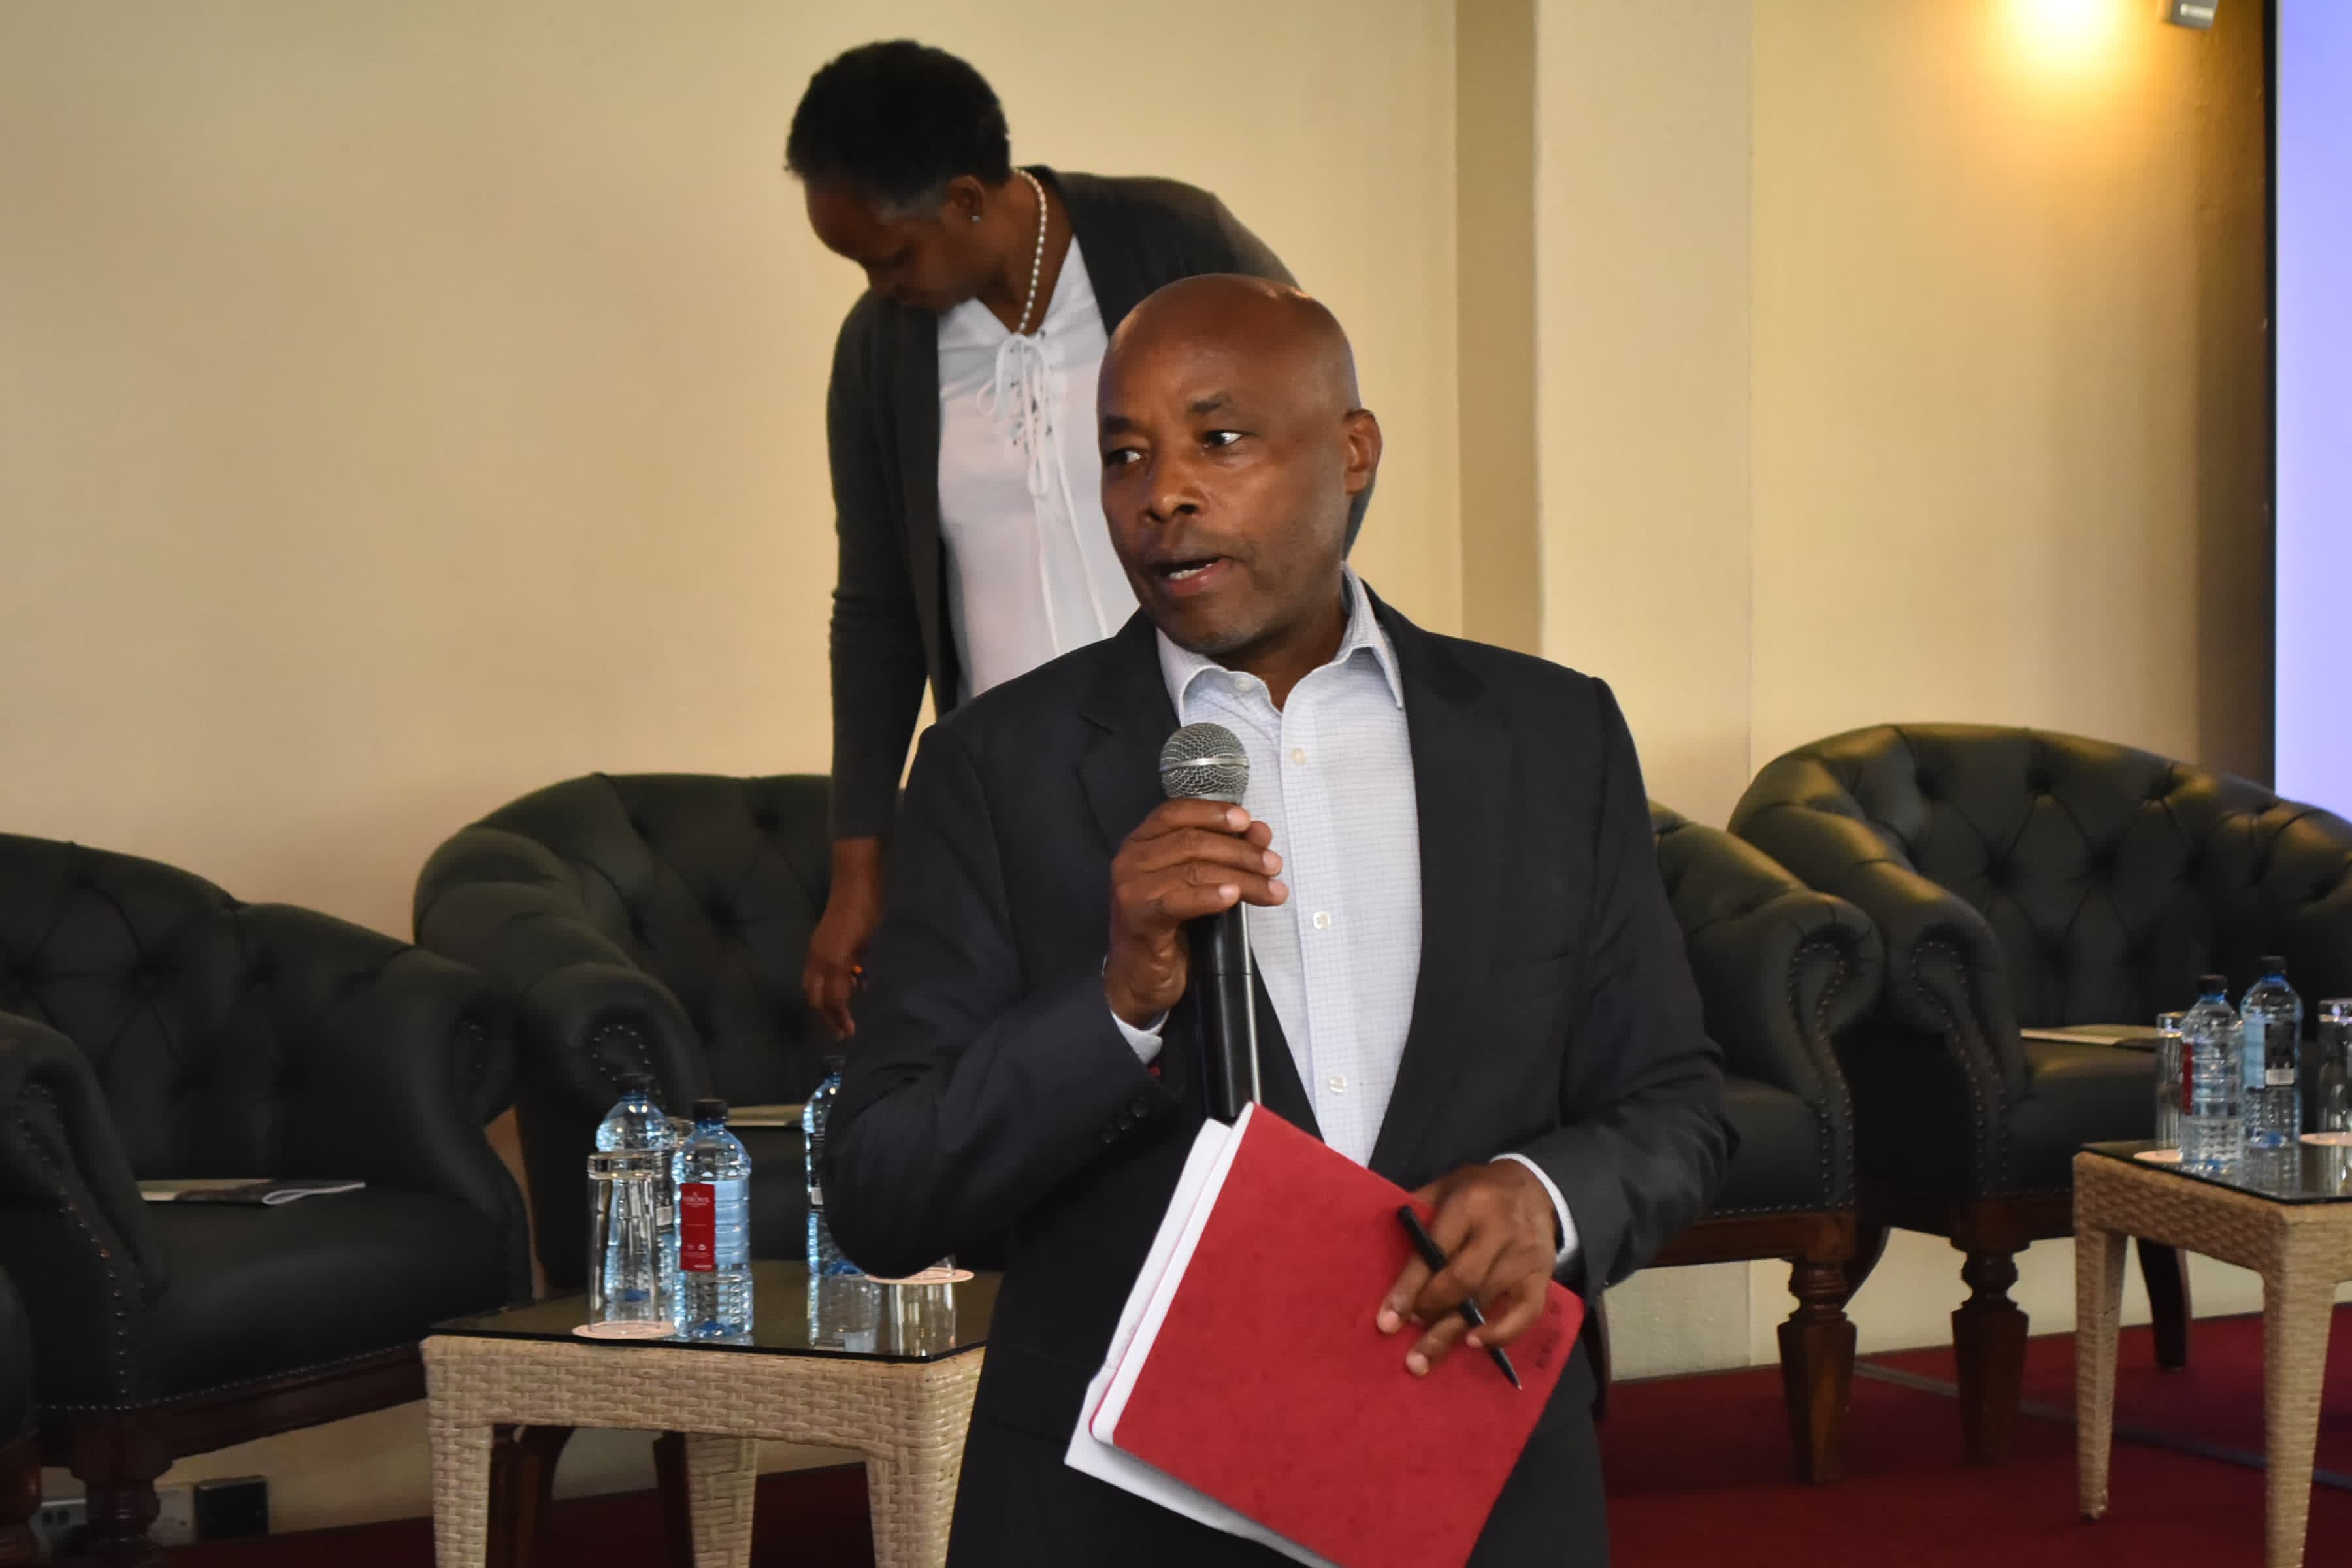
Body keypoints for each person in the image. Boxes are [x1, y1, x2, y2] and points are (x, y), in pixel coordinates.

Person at [825, 274, 1731, 1565]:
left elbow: (1676, 1106)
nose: (1164, 495)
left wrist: (1546, 1198)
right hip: (1122, 1518)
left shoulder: (1552, 738)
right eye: (1125, 455)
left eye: (1221, 438)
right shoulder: (995, 769)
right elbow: (881, 1189)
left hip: (1478, 1487)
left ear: (1351, 452)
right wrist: (1116, 1005)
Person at [785, 40, 1299, 1038]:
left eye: (892, 257)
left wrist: (1270, 655)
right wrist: (859, 867)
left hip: (1214, 770)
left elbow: (1314, 451)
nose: (878, 286)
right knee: (1051, 1079)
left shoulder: (1175, 243)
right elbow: (877, 610)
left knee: (1246, 1067)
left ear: (966, 200)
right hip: (1015, 806)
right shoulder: (881, 348)